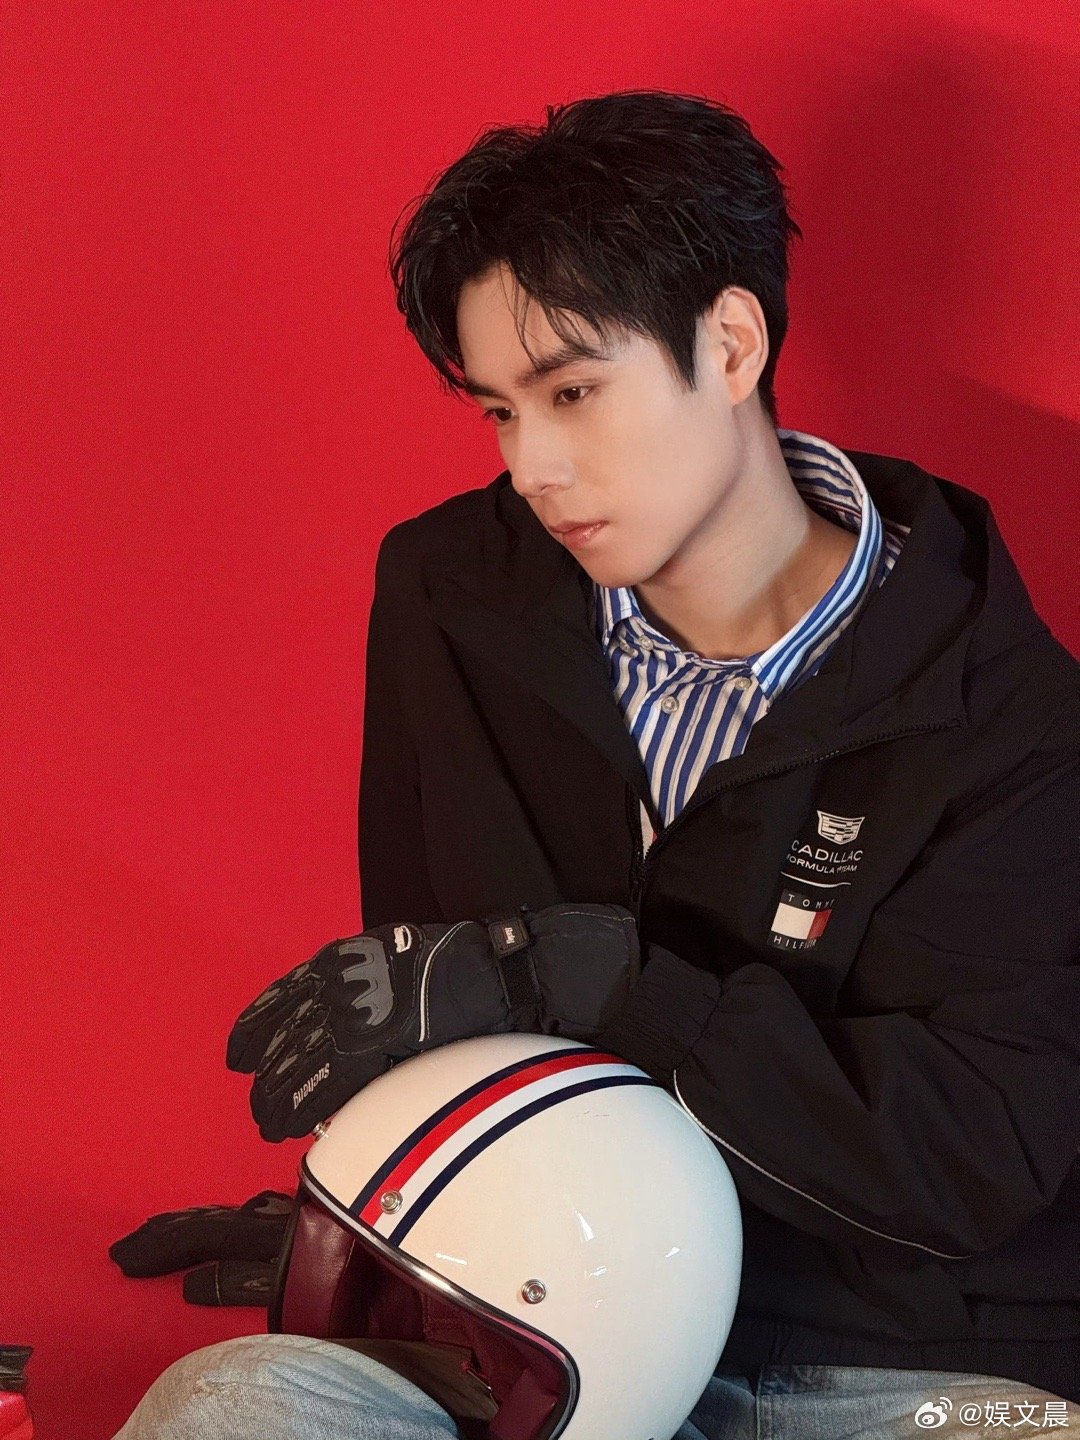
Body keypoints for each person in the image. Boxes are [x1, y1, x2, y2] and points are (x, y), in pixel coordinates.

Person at [113, 88, 1079, 1438]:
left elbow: (973, 1155)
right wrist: (386, 1222)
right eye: (499, 412)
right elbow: (433, 988)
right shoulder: (451, 593)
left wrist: (604, 983)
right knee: (228, 1407)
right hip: (543, 1324)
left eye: (572, 392)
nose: (536, 467)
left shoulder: (1009, 712)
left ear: (730, 345)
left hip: (903, 1368)